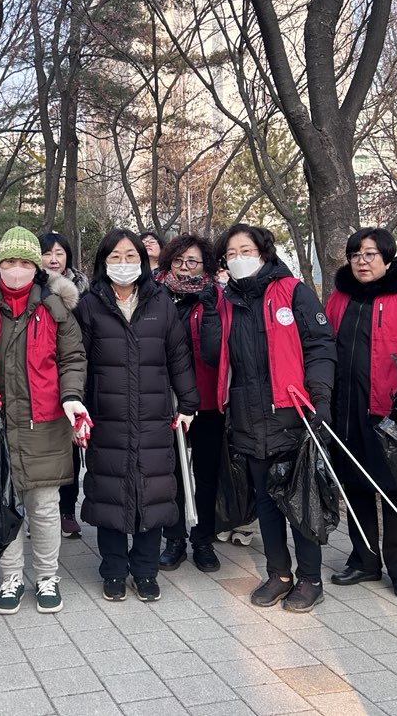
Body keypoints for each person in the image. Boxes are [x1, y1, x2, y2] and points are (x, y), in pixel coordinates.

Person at [204, 224, 336, 613]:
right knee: (265, 499)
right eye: (230, 253)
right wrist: (214, 307)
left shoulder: (293, 291)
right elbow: (214, 354)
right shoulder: (227, 300)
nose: (238, 258)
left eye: (245, 249)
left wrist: (321, 396)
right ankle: (279, 573)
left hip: (292, 411)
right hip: (247, 412)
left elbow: (320, 345)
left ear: (263, 252)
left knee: (300, 497)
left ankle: (310, 578)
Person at [0, 227, 88, 615]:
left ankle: (48, 575)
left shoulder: (54, 306)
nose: (16, 270)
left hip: (45, 421)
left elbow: (72, 359)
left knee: (45, 505)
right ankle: (11, 576)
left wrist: (71, 397)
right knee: (5, 503)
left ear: (35, 268)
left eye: (23, 263)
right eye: (9, 262)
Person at [75, 229, 199, 603]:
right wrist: (76, 404)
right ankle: (113, 568)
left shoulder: (160, 301)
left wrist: (189, 404)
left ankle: (145, 569)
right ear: (103, 262)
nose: (124, 263)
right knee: (110, 492)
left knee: (154, 491)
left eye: (131, 256)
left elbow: (178, 355)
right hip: (106, 416)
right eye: (115, 256)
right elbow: (77, 360)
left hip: (154, 415)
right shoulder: (90, 304)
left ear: (143, 262)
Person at [324, 228, 397, 600]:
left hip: (392, 410)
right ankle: (364, 559)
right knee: (356, 486)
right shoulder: (338, 299)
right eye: (356, 253)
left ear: (388, 260)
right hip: (345, 410)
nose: (362, 260)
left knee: (395, 492)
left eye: (370, 254)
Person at [156, 233, 226, 574]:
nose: (185, 268)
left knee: (206, 473)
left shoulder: (216, 297)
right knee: (170, 473)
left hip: (208, 400)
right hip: (167, 400)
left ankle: (203, 538)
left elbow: (216, 350)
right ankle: (174, 539)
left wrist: (209, 305)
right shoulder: (157, 296)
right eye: (179, 261)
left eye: (193, 262)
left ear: (207, 265)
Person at [40, 230, 89, 540]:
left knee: (70, 447)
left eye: (60, 252)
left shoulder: (85, 290)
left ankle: (67, 510)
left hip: (75, 375)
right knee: (43, 448)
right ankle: (41, 513)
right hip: (40, 377)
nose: (54, 258)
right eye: (47, 253)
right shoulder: (31, 289)